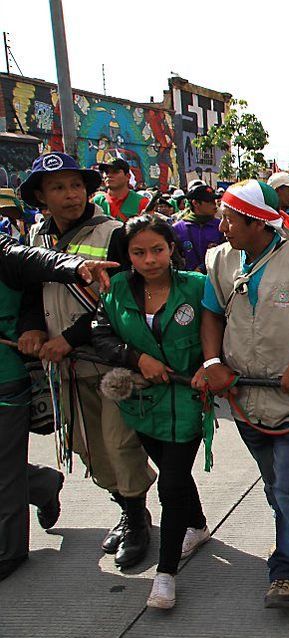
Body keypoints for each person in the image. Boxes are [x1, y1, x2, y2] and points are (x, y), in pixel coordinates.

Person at [197, 179, 289, 609]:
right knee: (275, 482)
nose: (223, 226)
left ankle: (285, 570)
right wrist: (211, 364)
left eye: (230, 218)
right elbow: (210, 314)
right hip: (245, 399)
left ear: (258, 222)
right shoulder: (221, 260)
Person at [18, 152, 157, 570]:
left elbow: (117, 303)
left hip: (111, 362)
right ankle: (124, 507)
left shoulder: (113, 234)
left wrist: (68, 337)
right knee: (87, 447)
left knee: (120, 444)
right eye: (58, 188)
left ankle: (137, 517)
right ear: (41, 196)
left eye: (76, 185)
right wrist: (33, 329)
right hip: (65, 366)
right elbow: (30, 291)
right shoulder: (36, 239)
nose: (70, 195)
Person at [92, 215, 212, 609]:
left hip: (186, 402)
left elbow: (220, 332)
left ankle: (165, 574)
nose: (149, 259)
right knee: (173, 476)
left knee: (170, 483)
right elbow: (99, 332)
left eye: (157, 250)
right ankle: (197, 525)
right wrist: (134, 357)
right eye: (139, 252)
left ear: (171, 249)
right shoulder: (117, 288)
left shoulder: (195, 287)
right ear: (127, 255)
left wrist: (210, 368)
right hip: (139, 404)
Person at [0, 230, 119, 582]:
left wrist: (79, 265)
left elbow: (43, 261)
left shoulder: (5, 251)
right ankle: (40, 484)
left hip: (4, 376)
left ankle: (9, 551)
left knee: (3, 471)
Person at [171, 184, 223, 273]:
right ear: (195, 203)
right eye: (209, 202)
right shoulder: (178, 228)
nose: (215, 205)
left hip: (216, 280)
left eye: (214, 201)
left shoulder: (221, 226)